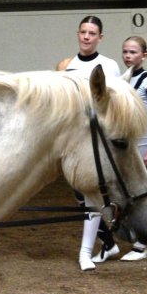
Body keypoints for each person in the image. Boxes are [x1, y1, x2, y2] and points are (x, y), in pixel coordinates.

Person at [56, 15, 121, 271]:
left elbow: (112, 103)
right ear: (78, 34)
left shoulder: (109, 66)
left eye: (92, 33)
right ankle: (109, 242)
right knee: (81, 197)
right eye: (83, 32)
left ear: (100, 38)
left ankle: (85, 252)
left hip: (96, 140)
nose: (86, 37)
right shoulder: (65, 65)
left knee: (90, 193)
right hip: (72, 137)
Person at [118, 35, 147, 261]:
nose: (128, 56)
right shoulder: (121, 80)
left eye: (133, 52)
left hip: (145, 145)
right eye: (125, 52)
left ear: (144, 55)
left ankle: (142, 243)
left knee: (143, 192)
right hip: (130, 147)